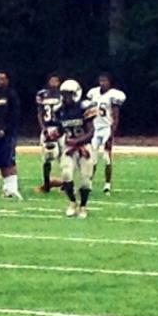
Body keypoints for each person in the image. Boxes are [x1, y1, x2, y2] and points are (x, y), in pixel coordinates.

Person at [56, 79, 97, 218]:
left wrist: (77, 141)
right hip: (69, 147)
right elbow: (61, 129)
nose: (66, 97)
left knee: (86, 180)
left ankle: (83, 206)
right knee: (66, 175)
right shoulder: (60, 110)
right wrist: (53, 133)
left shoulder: (84, 108)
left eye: (68, 94)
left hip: (84, 147)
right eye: (64, 94)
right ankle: (72, 202)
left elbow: (91, 132)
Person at [86, 72, 126, 194]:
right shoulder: (93, 93)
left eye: (105, 81)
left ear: (110, 82)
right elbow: (89, 112)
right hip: (95, 129)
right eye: (101, 80)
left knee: (107, 157)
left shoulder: (114, 95)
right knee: (92, 158)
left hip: (106, 128)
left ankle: (107, 184)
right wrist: (89, 129)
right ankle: (89, 182)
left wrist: (112, 131)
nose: (103, 83)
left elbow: (115, 115)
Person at [0, 71, 22, 200]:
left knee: (9, 160)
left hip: (8, 133)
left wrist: (6, 129)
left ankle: (13, 189)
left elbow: (15, 114)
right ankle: (7, 188)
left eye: (2, 79)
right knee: (0, 161)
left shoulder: (11, 95)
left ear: (7, 80)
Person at [35, 74, 64, 193]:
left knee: (63, 157)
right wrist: (43, 128)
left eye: (56, 80)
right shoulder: (42, 94)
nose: (54, 83)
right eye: (52, 80)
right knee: (46, 158)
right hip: (47, 128)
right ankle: (46, 183)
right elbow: (40, 113)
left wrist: (61, 129)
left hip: (60, 128)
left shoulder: (63, 95)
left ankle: (65, 183)